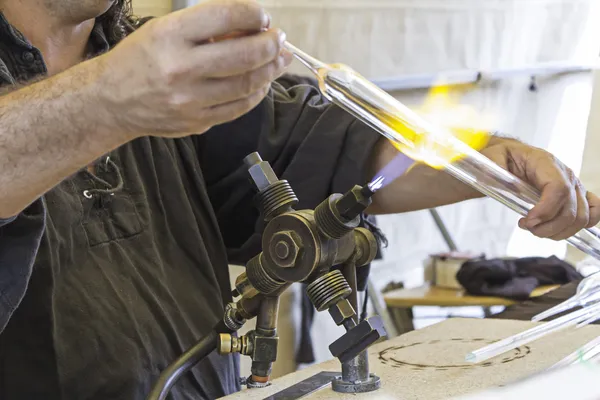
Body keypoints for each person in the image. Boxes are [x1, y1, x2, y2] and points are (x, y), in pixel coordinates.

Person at [0, 0, 597, 399]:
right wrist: (103, 101)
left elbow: (335, 151)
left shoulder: (140, 61)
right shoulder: (126, 76)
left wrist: (490, 159)